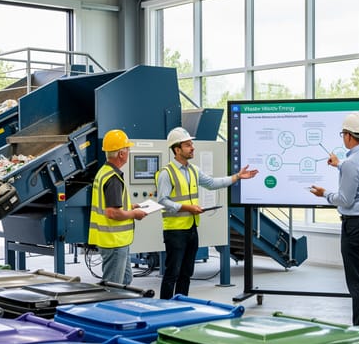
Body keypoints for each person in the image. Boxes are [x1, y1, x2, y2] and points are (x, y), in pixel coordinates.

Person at [157, 127, 258, 299]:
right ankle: (164, 307)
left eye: (192, 144)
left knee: (187, 272)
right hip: (174, 231)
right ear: (177, 149)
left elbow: (212, 183)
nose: (192, 148)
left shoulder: (193, 170)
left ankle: (181, 304)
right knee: (172, 273)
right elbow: (162, 200)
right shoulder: (166, 173)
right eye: (188, 145)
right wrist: (187, 208)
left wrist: (237, 177)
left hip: (191, 228)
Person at [310, 112, 359, 341]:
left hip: (356, 226)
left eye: (343, 134)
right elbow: (358, 173)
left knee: (357, 283)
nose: (343, 138)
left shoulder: (352, 164)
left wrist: (325, 194)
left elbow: (345, 200)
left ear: (349, 136)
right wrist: (339, 165)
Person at [89, 130, 148, 285]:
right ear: (121, 154)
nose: (129, 152)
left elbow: (111, 204)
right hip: (114, 242)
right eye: (128, 149)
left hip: (116, 241)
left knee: (126, 280)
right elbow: (112, 212)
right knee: (113, 286)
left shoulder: (104, 172)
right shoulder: (113, 178)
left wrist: (131, 206)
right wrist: (134, 214)